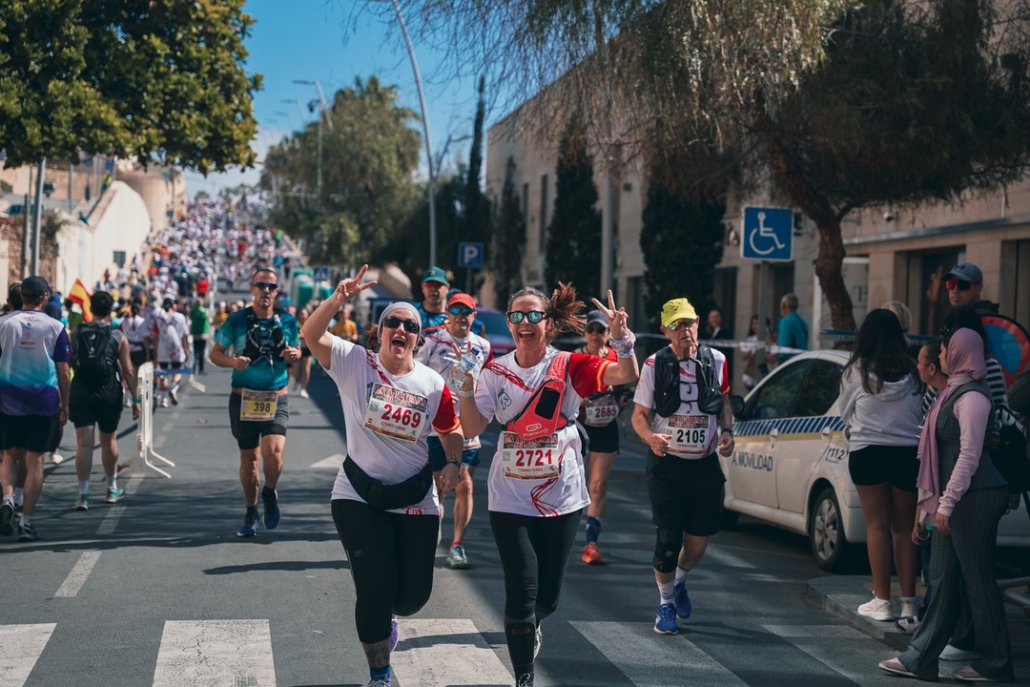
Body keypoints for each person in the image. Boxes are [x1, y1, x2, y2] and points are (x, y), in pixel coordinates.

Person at [457, 285, 639, 687]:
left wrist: (621, 339)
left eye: (533, 315)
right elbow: (471, 427)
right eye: (517, 316)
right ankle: (524, 676)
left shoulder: (569, 365)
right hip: (510, 497)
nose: (525, 322)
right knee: (520, 591)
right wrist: (466, 388)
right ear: (509, 324)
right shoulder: (495, 372)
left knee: (548, 599)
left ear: (549, 323)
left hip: (562, 496)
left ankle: (536, 621)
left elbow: (626, 374)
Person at [303, 266, 464, 687]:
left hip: (415, 496)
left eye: (410, 326)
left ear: (417, 339)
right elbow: (311, 335)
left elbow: (452, 431)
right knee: (374, 587)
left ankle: (391, 616)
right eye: (393, 322)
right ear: (380, 331)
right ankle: (379, 674)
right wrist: (337, 299)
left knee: (411, 599)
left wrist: (452, 462)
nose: (401, 330)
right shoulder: (355, 362)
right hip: (358, 494)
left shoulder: (432, 384)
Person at [878, 328, 1014, 683]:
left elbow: (969, 456)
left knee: (977, 580)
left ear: (958, 353)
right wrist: (928, 510)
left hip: (976, 497)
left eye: (944, 351)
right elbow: (937, 458)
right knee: (942, 578)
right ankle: (920, 659)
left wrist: (946, 504)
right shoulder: (951, 391)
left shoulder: (973, 398)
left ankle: (996, 664)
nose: (939, 357)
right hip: (954, 500)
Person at [631, 297, 734, 635]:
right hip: (667, 466)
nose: (683, 330)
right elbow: (638, 416)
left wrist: (728, 432)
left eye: (688, 323)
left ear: (697, 323)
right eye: (676, 325)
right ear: (665, 330)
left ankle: (678, 581)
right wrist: (650, 438)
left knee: (697, 544)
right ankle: (665, 604)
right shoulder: (653, 364)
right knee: (668, 541)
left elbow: (724, 402)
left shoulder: (717, 360)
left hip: (704, 465)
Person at [838, 308, 923, 622]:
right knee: (904, 529)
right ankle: (910, 603)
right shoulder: (913, 371)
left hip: (868, 451)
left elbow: (845, 414)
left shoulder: (855, 371)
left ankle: (882, 601)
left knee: (876, 526)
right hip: (907, 454)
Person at [210, 269, 302, 537]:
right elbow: (215, 354)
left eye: (271, 286)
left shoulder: (288, 321)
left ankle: (270, 491)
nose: (266, 291)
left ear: (277, 291)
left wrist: (294, 354)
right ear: (252, 289)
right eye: (261, 285)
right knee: (250, 461)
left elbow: (296, 351)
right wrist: (234, 362)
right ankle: (251, 511)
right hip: (244, 397)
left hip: (276, 396)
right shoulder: (237, 320)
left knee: (274, 453)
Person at [416, 292, 491, 569]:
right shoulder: (433, 340)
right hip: (437, 425)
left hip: (467, 424)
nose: (460, 316)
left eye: (466, 311)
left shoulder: (483, 346)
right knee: (441, 485)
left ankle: (457, 545)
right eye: (455, 311)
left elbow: (489, 381)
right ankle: (433, 524)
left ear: (474, 316)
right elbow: (416, 374)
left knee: (465, 483)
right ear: (447, 314)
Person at [0, 276, 73, 541]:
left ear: (21, 295)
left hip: (8, 401)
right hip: (43, 403)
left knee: (10, 456)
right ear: (44, 297)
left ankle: (8, 498)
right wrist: (65, 403)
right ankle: (27, 522)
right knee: (35, 461)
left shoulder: (3, 323)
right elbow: (63, 371)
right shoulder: (56, 326)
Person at [70, 291, 141, 510]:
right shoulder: (117, 336)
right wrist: (135, 398)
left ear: (90, 308)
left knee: (83, 444)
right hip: (108, 392)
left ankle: (83, 494)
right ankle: (111, 488)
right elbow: (128, 370)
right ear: (110, 311)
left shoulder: (76, 333)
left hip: (81, 389)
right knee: (109, 440)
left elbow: (69, 361)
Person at [576, 310, 626, 565]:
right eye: (591, 330)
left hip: (606, 428)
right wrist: (578, 400)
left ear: (608, 334)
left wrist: (621, 401)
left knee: (597, 486)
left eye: (600, 330)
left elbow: (625, 388)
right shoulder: (575, 358)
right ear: (584, 333)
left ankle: (591, 544)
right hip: (578, 429)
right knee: (571, 486)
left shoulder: (615, 358)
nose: (595, 335)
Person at [154, 298, 190, 407]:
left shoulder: (159, 318)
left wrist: (155, 350)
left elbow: (155, 335)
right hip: (177, 348)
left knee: (163, 373)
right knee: (177, 371)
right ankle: (173, 388)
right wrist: (186, 349)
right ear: (173, 306)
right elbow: (185, 335)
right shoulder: (180, 317)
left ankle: (163, 399)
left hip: (163, 348)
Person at [766, 292, 808, 366]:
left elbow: (783, 348)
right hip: (804, 360)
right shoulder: (802, 321)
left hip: (791, 363)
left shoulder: (785, 321)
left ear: (783, 306)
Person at [416, 266, 450, 336]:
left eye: (438, 284)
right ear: (423, 287)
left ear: (447, 288)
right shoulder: (413, 313)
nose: (433, 289)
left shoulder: (454, 316)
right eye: (429, 284)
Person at [705, 307, 734, 382]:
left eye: (717, 317)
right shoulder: (710, 334)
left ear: (721, 318)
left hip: (721, 369)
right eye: (712, 317)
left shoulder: (725, 332)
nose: (714, 319)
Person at [292, 307, 313, 399]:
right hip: (297, 348)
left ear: (308, 315)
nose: (302, 316)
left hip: (308, 349)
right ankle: (296, 380)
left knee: (306, 370)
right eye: (300, 314)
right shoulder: (295, 324)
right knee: (296, 371)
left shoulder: (310, 325)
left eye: (304, 314)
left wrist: (303, 336)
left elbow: (314, 336)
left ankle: (303, 388)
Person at [739, 315, 761, 391]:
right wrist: (753, 349)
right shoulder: (749, 339)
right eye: (753, 324)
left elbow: (773, 358)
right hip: (751, 374)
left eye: (757, 324)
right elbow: (744, 356)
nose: (755, 326)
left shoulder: (769, 339)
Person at [190, 298, 210, 375]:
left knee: (195, 352)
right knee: (202, 352)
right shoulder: (205, 311)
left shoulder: (193, 311)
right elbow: (208, 318)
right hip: (203, 334)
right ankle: (201, 369)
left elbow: (190, 318)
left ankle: (194, 368)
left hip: (195, 333)